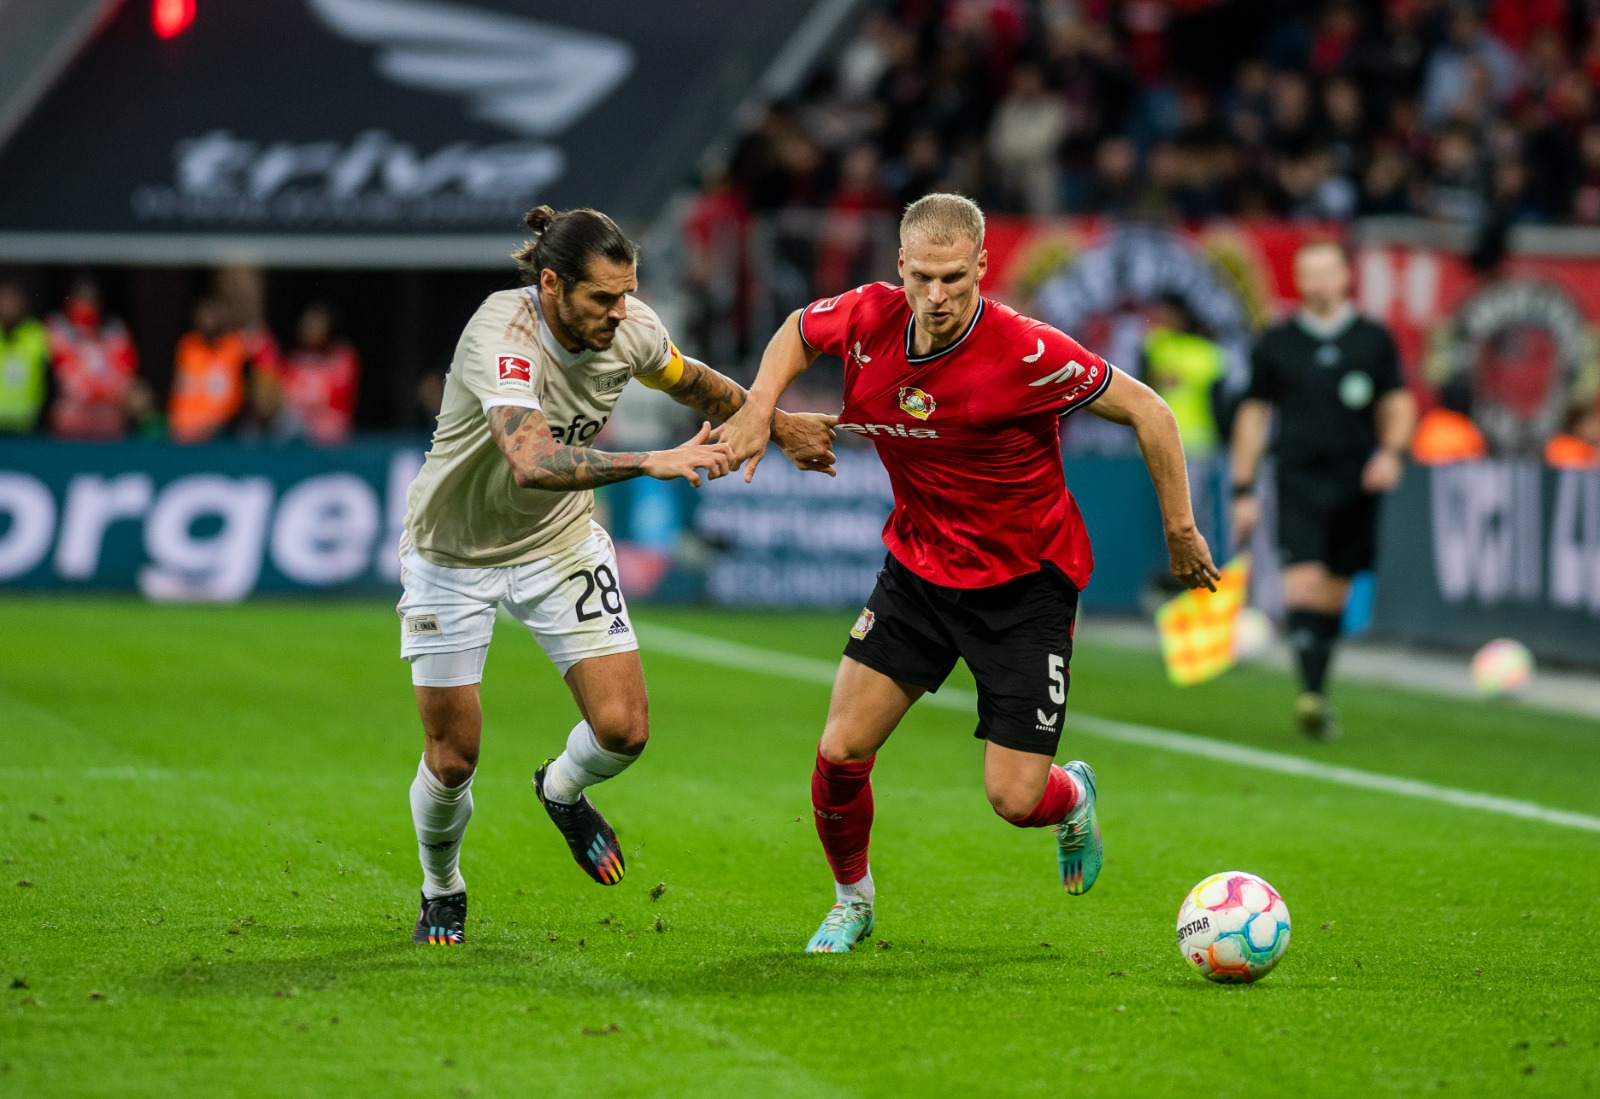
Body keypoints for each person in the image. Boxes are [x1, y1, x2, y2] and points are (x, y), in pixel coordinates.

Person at [716, 193, 1219, 954]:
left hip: (1025, 584)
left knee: (1015, 800)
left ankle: (1074, 795)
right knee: (841, 748)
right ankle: (853, 900)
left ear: (983, 266)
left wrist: (1180, 528)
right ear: (901, 268)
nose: (938, 296)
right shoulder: (867, 316)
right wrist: (763, 406)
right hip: (918, 570)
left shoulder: (1026, 351)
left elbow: (1150, 410)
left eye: (955, 277)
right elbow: (795, 329)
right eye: (923, 277)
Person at [398, 205, 836, 946]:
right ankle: (442, 885)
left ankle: (560, 788)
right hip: (453, 555)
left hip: (558, 544)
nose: (619, 312)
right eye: (602, 298)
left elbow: (691, 381)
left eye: (625, 293)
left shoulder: (630, 328)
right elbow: (532, 460)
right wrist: (650, 461)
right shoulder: (502, 335)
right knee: (453, 757)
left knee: (624, 729)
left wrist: (777, 419)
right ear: (550, 284)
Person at [1229, 241, 1416, 740]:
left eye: (1325, 273)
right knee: (1303, 583)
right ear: (1299, 281)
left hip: (1356, 482)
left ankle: (1317, 689)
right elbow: (1252, 416)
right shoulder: (1277, 343)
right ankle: (1310, 697)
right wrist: (1243, 488)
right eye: (1306, 275)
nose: (1316, 283)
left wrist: (1391, 452)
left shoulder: (1373, 339)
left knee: (1334, 590)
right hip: (1297, 480)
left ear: (1344, 277)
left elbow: (1397, 402)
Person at [45, 277, 139, 441]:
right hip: (71, 422)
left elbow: (125, 374)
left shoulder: (113, 330)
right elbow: (66, 376)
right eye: (81, 298)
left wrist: (105, 392)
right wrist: (98, 392)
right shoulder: (59, 328)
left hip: (108, 421)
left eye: (91, 299)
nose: (86, 305)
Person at [168, 296, 256, 444]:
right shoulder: (187, 345)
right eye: (203, 315)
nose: (207, 320)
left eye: (211, 315)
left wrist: (218, 423)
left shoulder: (236, 346)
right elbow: (179, 389)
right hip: (183, 430)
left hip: (222, 430)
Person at [277, 303, 359, 445]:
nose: (311, 330)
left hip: (331, 433)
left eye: (317, 324)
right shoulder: (291, 363)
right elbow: (283, 400)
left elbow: (339, 400)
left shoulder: (341, 359)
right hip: (298, 432)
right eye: (307, 324)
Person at [0, 281, 50, 434]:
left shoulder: (38, 334)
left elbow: (51, 379)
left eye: (13, 301)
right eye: (4, 301)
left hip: (28, 424)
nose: (8, 307)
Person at [1544, 400, 1600, 469]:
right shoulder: (1561, 445)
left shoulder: (1591, 447)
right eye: (1591, 424)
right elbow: (1572, 468)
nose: (1597, 429)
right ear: (1578, 426)